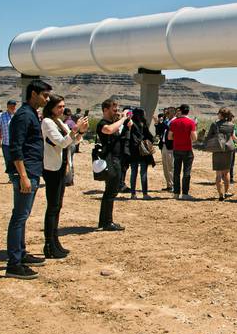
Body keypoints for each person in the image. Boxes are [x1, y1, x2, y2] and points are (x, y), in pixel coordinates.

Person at [5, 80, 52, 279]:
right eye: (45, 95)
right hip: (26, 173)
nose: (47, 99)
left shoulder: (31, 113)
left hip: (32, 172)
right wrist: (23, 176)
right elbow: (16, 147)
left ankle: (21, 254)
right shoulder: (24, 115)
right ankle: (14, 264)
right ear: (34, 93)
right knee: (19, 217)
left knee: (22, 217)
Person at [41, 94, 88, 258]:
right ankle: (48, 244)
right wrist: (75, 130)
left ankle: (55, 241)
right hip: (52, 168)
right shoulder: (47, 122)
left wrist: (80, 132)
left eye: (63, 106)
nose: (62, 109)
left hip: (61, 166)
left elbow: (72, 141)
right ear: (51, 107)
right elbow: (61, 142)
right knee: (52, 206)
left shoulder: (59, 121)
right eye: (59, 106)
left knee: (57, 206)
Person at [96, 98, 130, 231]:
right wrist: (122, 119)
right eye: (113, 109)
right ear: (105, 110)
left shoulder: (113, 122)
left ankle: (104, 221)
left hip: (116, 159)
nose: (116, 111)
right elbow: (109, 130)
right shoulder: (103, 123)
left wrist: (125, 122)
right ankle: (107, 222)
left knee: (110, 192)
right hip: (111, 160)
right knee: (110, 192)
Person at [206, 107, 237, 201]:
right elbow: (232, 136)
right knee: (226, 173)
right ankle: (226, 192)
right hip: (229, 149)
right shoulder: (231, 125)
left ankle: (220, 194)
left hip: (218, 149)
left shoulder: (214, 124)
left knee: (218, 174)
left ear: (221, 115)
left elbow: (209, 136)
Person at [168, 104, 197, 200]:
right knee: (186, 172)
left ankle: (176, 192)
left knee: (176, 171)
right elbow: (194, 137)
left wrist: (177, 138)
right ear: (188, 111)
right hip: (187, 149)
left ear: (180, 110)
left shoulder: (174, 122)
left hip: (176, 149)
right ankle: (185, 193)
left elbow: (169, 137)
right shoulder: (191, 122)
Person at [126, 108, 156, 200]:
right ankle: (145, 194)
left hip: (133, 151)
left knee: (133, 173)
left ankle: (133, 194)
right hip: (143, 151)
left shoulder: (130, 123)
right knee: (143, 173)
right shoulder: (143, 124)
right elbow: (150, 136)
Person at [0, 99, 17, 168]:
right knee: (8, 162)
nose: (12, 107)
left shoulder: (18, 116)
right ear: (7, 106)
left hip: (17, 144)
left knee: (17, 162)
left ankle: (17, 177)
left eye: (14, 106)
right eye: (11, 106)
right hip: (6, 144)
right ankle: (11, 177)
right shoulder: (2, 116)